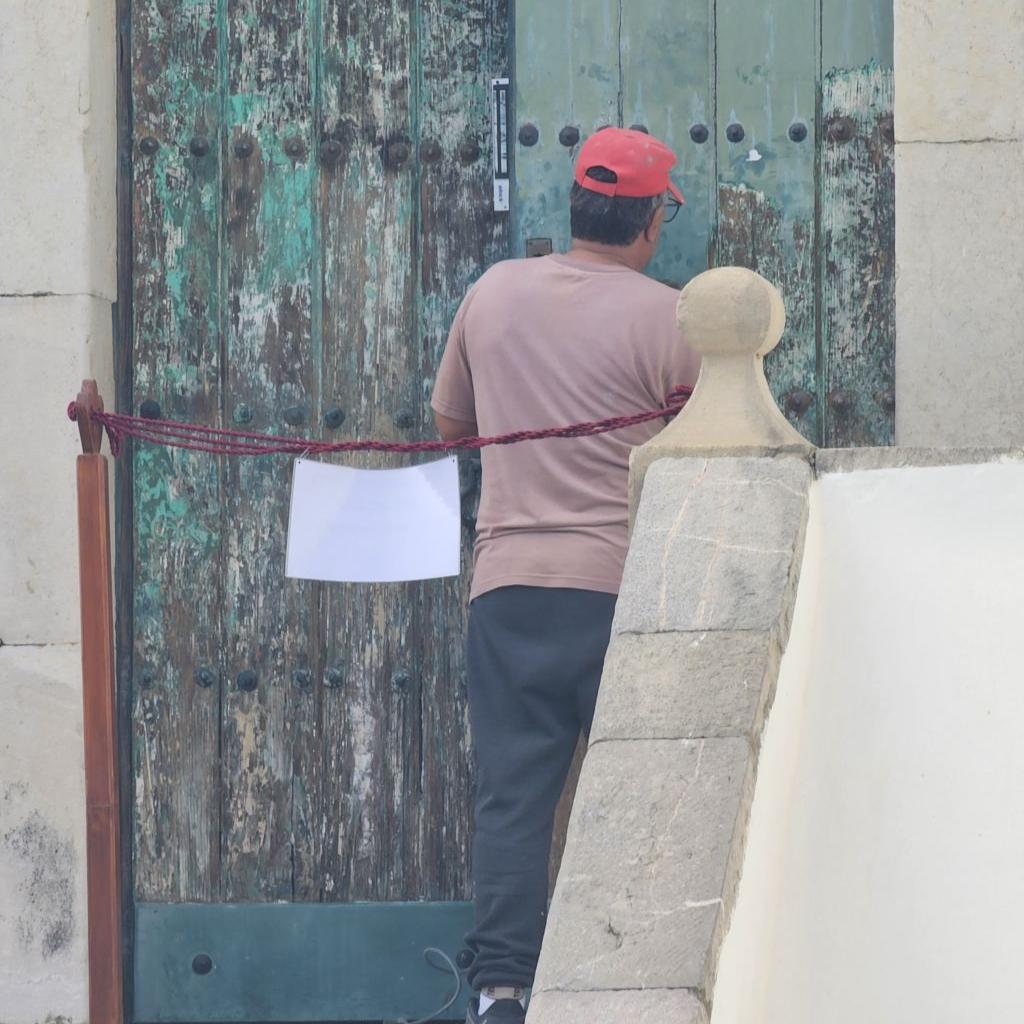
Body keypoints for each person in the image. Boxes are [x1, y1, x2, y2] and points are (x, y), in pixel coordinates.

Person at [430, 127, 702, 1024]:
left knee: (513, 797)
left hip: (508, 589)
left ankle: (503, 993)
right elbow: (704, 457)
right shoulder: (670, 320)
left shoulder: (494, 291)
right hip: (617, 595)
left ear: (578, 206)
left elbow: (452, 425)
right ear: (651, 220)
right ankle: (628, 987)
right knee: (628, 791)